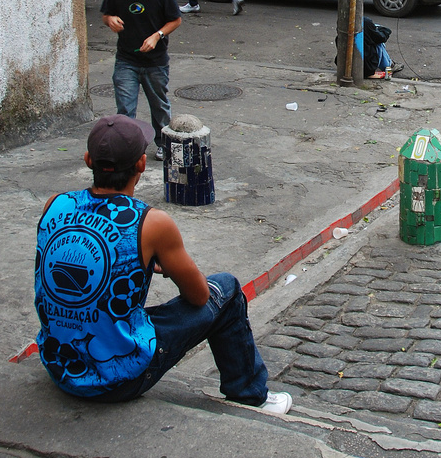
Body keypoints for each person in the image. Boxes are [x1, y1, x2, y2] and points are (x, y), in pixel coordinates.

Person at [34, 114, 292, 413]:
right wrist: (168, 267)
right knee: (227, 289)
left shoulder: (55, 203)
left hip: (61, 367)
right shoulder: (152, 222)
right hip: (117, 380)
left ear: (88, 160)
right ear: (142, 165)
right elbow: (199, 296)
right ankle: (250, 395)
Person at [101, 0, 182, 161]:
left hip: (155, 62)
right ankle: (128, 148)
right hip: (126, 59)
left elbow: (175, 20)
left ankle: (165, 144)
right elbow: (106, 14)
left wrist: (157, 35)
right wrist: (111, 20)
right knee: (125, 108)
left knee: (159, 106)